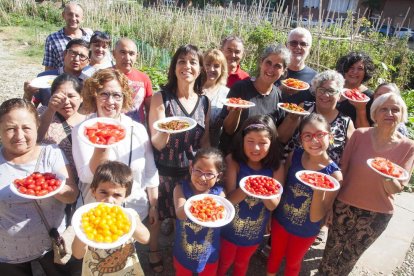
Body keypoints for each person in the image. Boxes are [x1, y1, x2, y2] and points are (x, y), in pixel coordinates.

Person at [318, 93, 414, 275]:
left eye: (396, 110)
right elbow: (343, 170)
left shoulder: (409, 147)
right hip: (344, 206)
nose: (389, 113)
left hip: (377, 214)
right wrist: (330, 205)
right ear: (375, 113)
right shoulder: (359, 135)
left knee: (348, 259)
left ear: (402, 116)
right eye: (384, 109)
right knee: (329, 256)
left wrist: (387, 174)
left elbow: (397, 187)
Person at [148, 44, 210, 273]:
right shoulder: (161, 98)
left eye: (193, 62)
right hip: (163, 168)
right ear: (174, 67)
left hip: (190, 171)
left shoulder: (204, 102)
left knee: (182, 216)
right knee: (157, 214)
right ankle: (153, 250)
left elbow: (204, 140)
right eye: (182, 61)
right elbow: (156, 142)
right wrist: (167, 128)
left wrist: (210, 166)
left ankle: (179, 250)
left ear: (200, 68)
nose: (187, 66)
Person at [0, 98, 79, 275]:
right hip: (7, 253)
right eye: (10, 128)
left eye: (26, 128)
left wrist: (57, 189)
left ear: (37, 126)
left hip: (52, 247)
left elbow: (72, 194)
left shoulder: (51, 154)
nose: (19, 136)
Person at [72, 68, 159, 222]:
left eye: (117, 95)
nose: (110, 101)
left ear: (124, 98)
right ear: (94, 95)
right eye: (104, 94)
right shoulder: (83, 130)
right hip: (97, 215)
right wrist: (103, 143)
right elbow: (86, 176)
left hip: (134, 212)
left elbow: (150, 170)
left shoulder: (137, 129)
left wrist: (153, 205)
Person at [267, 113, 342, 275]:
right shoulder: (295, 155)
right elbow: (281, 187)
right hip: (280, 220)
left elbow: (317, 217)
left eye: (320, 135)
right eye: (307, 136)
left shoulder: (334, 176)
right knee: (275, 255)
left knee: (293, 263)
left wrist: (318, 190)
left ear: (330, 136)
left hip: (306, 230)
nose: (314, 141)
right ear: (301, 139)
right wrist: (270, 213)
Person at [217, 115, 284, 276]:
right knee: (224, 261)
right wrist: (248, 187)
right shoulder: (232, 161)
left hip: (254, 232)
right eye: (250, 141)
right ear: (242, 140)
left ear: (272, 143)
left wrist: (261, 189)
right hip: (228, 230)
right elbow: (229, 200)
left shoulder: (276, 167)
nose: (255, 148)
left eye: (263, 143)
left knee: (242, 262)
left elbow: (273, 205)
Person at [72, 161, 150, 276]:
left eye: (117, 195)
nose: (109, 200)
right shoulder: (86, 218)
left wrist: (127, 220)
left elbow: (145, 239)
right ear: (93, 191)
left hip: (127, 271)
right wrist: (83, 232)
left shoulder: (130, 215)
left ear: (126, 196)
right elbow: (77, 254)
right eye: (103, 192)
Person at [219, 44, 299, 154]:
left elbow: (278, 138)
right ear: (261, 62)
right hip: (233, 156)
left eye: (277, 66)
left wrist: (293, 119)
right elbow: (228, 130)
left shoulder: (279, 96)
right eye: (268, 63)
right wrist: (235, 112)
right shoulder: (240, 88)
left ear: (284, 70)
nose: (271, 69)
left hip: (260, 160)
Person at [173, 148, 226, 275]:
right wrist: (197, 204)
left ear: (219, 176)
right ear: (191, 168)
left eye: (209, 174)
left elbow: (222, 216)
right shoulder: (180, 189)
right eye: (198, 170)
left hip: (209, 252)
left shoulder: (220, 195)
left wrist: (210, 205)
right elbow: (180, 214)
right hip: (184, 250)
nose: (203, 177)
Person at [285, 70, 355, 164]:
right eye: (321, 90)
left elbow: (352, 156)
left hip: (327, 175)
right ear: (315, 92)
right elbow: (282, 137)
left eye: (331, 91)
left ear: (339, 96)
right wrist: (291, 119)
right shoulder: (304, 109)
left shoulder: (346, 122)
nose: (325, 95)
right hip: (293, 168)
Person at [37, 73, 87, 176]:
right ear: (51, 97)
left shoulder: (90, 121)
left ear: (81, 97)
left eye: (71, 96)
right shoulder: (43, 112)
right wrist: (51, 110)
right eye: (60, 97)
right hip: (48, 180)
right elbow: (34, 138)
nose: (66, 102)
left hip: (80, 182)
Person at [24, 39, 90, 107]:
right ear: (64, 54)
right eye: (73, 53)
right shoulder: (44, 78)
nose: (76, 59)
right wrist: (28, 95)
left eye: (82, 56)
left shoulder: (89, 83)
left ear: (88, 62)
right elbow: (30, 110)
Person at [113, 38, 153, 124]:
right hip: (110, 129)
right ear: (114, 54)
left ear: (136, 56)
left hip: (136, 131)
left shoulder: (144, 78)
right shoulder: (103, 76)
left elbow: (150, 111)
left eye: (131, 54)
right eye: (123, 52)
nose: (127, 58)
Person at [43, 2, 92, 70]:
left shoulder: (90, 36)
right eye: (70, 14)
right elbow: (49, 67)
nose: (73, 18)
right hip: (62, 79)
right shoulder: (52, 39)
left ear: (82, 18)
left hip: (86, 79)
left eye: (77, 15)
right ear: (63, 15)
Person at [336, 51, 376, 128]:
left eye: (360, 68)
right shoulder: (332, 89)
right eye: (351, 67)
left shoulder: (369, 98)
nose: (354, 72)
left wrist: (361, 110)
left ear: (366, 72)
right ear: (344, 69)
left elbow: (366, 131)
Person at [278, 27, 317, 104]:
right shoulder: (274, 71)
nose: (298, 47)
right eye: (293, 43)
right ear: (286, 46)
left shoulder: (316, 79)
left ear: (309, 49)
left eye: (303, 44)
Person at [202, 49, 229, 147]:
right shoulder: (192, 90)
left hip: (217, 145)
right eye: (208, 64)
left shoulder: (227, 93)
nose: (211, 69)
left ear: (222, 69)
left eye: (216, 66)